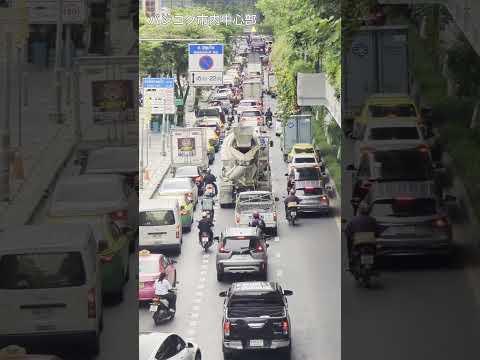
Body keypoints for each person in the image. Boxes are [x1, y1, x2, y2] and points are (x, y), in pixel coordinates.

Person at [344, 202, 378, 268]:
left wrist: (351, 237)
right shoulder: (372, 220)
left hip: (358, 243)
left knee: (349, 243)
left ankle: (350, 260)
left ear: (359, 210)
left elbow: (347, 231)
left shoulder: (353, 220)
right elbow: (378, 230)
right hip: (371, 243)